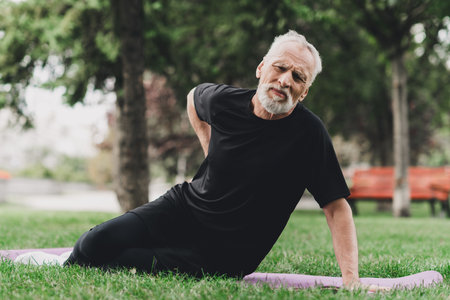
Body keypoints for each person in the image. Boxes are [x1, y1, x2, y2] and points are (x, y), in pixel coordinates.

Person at [64, 30, 361, 288]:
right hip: (183, 208)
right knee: (93, 243)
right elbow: (194, 97)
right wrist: (210, 147)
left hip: (224, 253)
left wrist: (351, 281)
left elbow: (336, 208)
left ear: (304, 92)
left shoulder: (309, 135)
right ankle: (61, 267)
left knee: (122, 260)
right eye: (280, 67)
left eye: (297, 77)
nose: (285, 80)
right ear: (261, 68)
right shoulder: (223, 102)